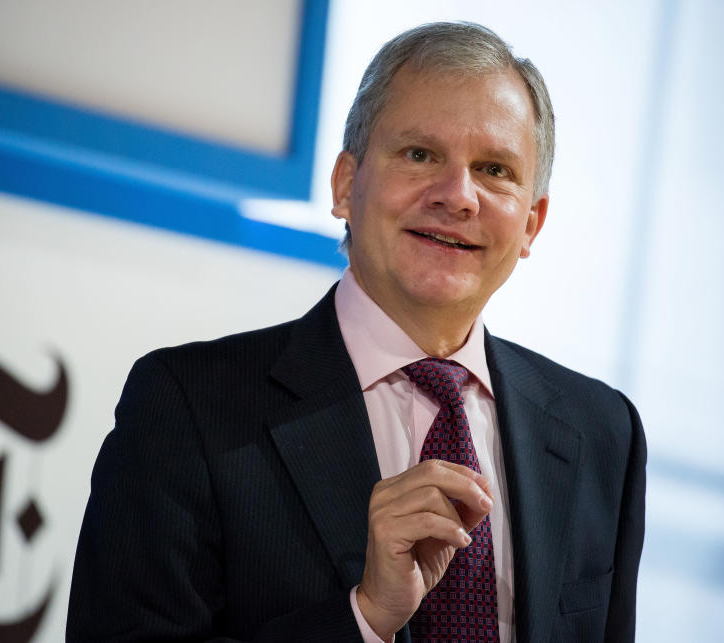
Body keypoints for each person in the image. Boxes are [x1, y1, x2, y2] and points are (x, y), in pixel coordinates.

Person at [67, 21, 646, 643]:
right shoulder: (187, 405)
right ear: (346, 184)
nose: (458, 196)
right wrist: (364, 617)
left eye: (494, 169)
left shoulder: (600, 434)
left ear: (532, 222)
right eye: (420, 154)